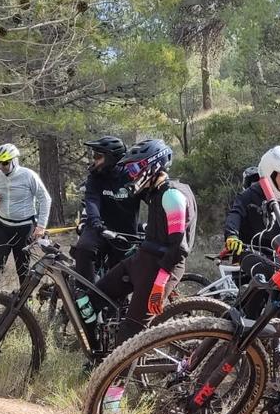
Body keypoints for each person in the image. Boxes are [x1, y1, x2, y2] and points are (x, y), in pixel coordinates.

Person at [93, 139, 195, 346]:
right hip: (144, 259)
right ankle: (98, 352)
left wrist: (160, 283)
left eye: (135, 167)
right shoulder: (155, 192)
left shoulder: (172, 195)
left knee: (130, 332)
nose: (131, 174)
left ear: (153, 166)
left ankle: (123, 376)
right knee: (94, 296)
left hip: (162, 267)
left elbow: (179, 247)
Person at [71, 136, 140, 283]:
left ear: (112, 158)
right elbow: (92, 200)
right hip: (98, 228)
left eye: (98, 156)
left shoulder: (131, 176)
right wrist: (96, 223)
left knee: (119, 279)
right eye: (93, 155)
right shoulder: (94, 177)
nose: (94, 160)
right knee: (83, 249)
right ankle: (86, 294)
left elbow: (150, 198)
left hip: (124, 233)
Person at [0, 143, 51, 285]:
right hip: (2, 226)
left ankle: (25, 302)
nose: (2, 167)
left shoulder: (28, 175)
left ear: (15, 160)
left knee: (23, 267)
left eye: (5, 163)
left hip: (24, 227)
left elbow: (45, 199)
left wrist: (41, 226)